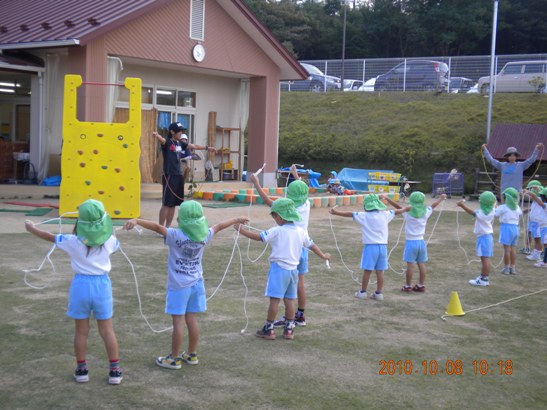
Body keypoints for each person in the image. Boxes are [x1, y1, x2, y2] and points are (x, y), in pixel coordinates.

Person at [123, 201, 248, 369]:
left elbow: (157, 227)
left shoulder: (175, 235)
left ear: (181, 219)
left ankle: (174, 358)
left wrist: (137, 220)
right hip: (197, 284)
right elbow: (219, 226)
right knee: (192, 320)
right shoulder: (205, 235)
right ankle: (191, 354)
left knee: (178, 323)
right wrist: (236, 219)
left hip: (178, 286)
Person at [24, 199, 123, 385]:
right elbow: (115, 246)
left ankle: (81, 369)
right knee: (107, 330)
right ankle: (115, 370)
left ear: (80, 222)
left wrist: (31, 228)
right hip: (102, 286)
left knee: (81, 331)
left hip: (80, 286)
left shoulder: (72, 241)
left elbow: (49, 236)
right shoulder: (110, 241)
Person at [235, 198, 330, 340]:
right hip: (293, 271)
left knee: (274, 300)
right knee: (290, 300)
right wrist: (323, 255)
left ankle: (269, 329)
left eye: (274, 216)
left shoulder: (277, 231)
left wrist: (241, 230)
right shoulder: (301, 231)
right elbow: (312, 245)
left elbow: (259, 237)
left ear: (280, 216)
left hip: (278, 270)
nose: (274, 219)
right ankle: (289, 329)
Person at [250, 165, 312, 327]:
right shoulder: (307, 203)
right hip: (303, 246)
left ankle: (286, 318)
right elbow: (302, 190)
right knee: (299, 282)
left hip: (290, 249)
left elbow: (268, 202)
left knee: (285, 288)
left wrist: (256, 183)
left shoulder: (288, 208)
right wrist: (295, 175)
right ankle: (300, 316)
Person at [329, 194, 409, 301]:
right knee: (380, 271)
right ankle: (379, 293)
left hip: (370, 247)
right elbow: (397, 211)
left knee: (367, 271)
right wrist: (406, 209)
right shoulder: (385, 214)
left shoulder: (364, 216)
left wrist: (336, 212)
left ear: (366, 206)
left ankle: (363, 292)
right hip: (383, 247)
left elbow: (350, 214)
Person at [153, 122, 216, 228]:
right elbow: (162, 140)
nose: (181, 133)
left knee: (173, 204)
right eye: (179, 131)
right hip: (169, 175)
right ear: (172, 132)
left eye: (182, 131)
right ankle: (160, 228)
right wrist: (157, 135)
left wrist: (208, 148)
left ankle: (167, 228)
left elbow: (194, 146)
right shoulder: (168, 142)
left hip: (178, 175)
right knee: (166, 203)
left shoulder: (180, 143)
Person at [383, 191, 446, 292]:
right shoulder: (426, 212)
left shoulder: (407, 212)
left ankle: (408, 286)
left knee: (410, 265)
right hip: (421, 242)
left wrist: (387, 198)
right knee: (421, 264)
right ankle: (421, 285)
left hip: (411, 242)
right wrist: (441, 199)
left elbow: (398, 207)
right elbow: (433, 206)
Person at [457, 191, 497, 286]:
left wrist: (462, 205)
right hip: (486, 237)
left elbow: (471, 212)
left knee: (485, 259)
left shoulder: (482, 214)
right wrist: (493, 200)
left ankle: (484, 279)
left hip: (484, 238)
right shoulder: (492, 210)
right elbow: (495, 204)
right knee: (485, 258)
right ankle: (483, 277)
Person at [494, 187, 523, 275]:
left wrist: (495, 206)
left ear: (506, 197)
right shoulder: (517, 207)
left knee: (507, 249)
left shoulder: (503, 207)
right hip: (515, 228)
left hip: (506, 228)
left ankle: (506, 268)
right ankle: (512, 268)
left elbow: (495, 213)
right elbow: (520, 214)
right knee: (513, 249)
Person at [523, 188, 547, 268]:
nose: (541, 197)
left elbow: (537, 199)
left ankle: (545, 262)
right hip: (543, 226)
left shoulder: (545, 205)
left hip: (545, 227)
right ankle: (544, 260)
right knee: (545, 243)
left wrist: (529, 192)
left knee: (545, 244)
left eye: (542, 196)